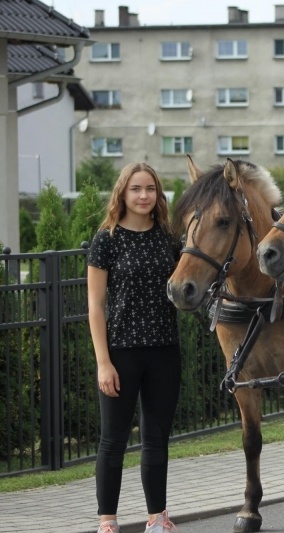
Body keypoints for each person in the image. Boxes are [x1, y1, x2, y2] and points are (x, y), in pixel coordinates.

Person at [88, 162, 181, 533]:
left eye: (150, 189)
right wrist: (103, 363)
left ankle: (157, 518)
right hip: (121, 352)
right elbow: (95, 306)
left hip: (164, 350)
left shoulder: (169, 238)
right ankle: (107, 521)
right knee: (113, 440)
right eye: (136, 189)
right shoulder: (106, 239)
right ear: (122, 194)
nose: (144, 196)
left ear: (158, 195)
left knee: (157, 438)